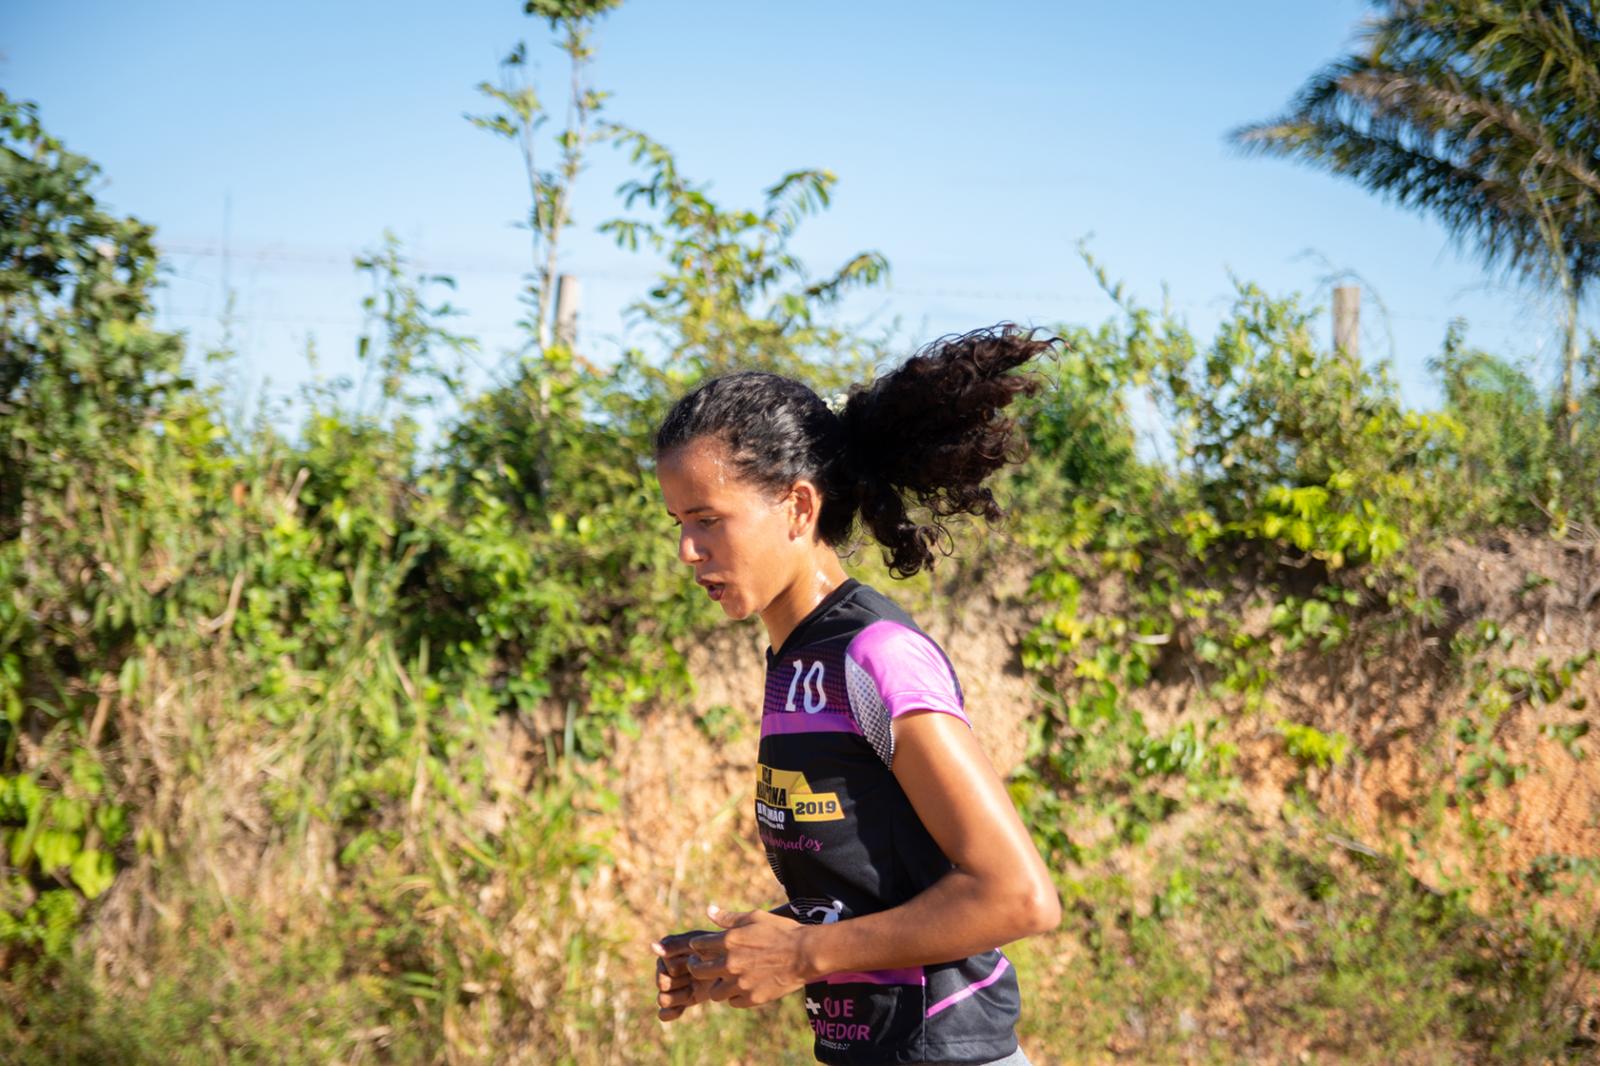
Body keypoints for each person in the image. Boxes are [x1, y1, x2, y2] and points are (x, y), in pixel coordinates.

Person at [650, 324, 1063, 1066]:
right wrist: (743, 953)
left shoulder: (874, 654)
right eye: (680, 524)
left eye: (709, 520)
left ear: (799, 508)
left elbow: (1017, 895)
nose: (688, 551)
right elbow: (882, 890)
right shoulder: (795, 658)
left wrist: (804, 954)